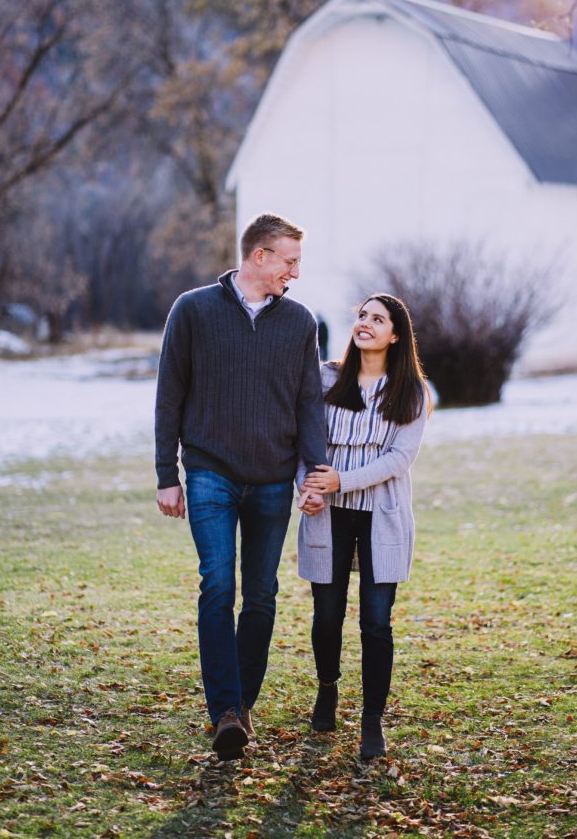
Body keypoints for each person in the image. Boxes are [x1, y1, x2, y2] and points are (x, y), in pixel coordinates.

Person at [155, 213, 327, 761]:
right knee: (217, 586)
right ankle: (225, 711)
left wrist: (314, 473)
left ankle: (242, 705)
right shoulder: (193, 310)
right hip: (210, 472)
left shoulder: (301, 323)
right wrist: (167, 475)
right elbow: (169, 396)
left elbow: (308, 404)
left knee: (262, 595)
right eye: (289, 261)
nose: (295, 273)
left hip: (274, 479)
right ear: (260, 256)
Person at [297, 294, 431, 760]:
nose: (366, 324)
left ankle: (372, 720)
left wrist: (341, 481)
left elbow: (400, 458)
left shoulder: (411, 391)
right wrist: (310, 488)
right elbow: (304, 440)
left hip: (383, 513)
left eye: (378, 319)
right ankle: (327, 691)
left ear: (396, 335)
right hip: (327, 513)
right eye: (361, 316)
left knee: (376, 622)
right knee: (327, 614)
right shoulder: (325, 377)